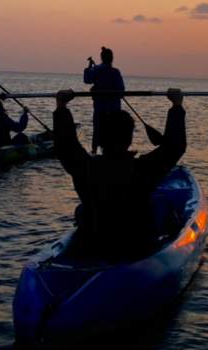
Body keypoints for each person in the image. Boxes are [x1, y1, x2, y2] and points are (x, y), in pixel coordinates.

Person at [53, 86, 186, 259]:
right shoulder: (143, 169)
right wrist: (176, 105)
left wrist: (61, 106)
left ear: (99, 138)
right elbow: (174, 147)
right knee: (162, 207)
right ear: (129, 139)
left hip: (96, 244)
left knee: (82, 212)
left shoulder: (84, 167)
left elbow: (66, 146)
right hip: (135, 247)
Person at [83, 46, 125, 153]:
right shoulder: (115, 72)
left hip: (100, 109)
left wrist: (89, 67)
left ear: (102, 58)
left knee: (97, 132)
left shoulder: (97, 70)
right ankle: (112, 154)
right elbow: (121, 91)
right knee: (113, 133)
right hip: (114, 110)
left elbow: (87, 79)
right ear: (112, 58)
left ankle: (94, 153)